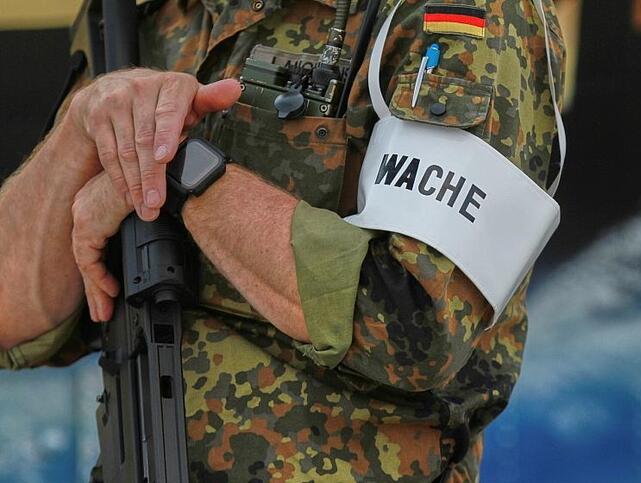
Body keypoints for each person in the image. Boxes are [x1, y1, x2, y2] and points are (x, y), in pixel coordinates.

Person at [0, 0, 565, 481]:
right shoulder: (143, 12)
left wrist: (173, 167)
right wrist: (81, 127)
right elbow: (9, 315)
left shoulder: (461, 15)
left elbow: (415, 326)